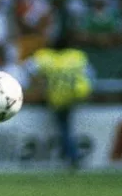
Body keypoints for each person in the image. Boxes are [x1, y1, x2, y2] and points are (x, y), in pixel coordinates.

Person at [25, 32, 93, 170]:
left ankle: (71, 155)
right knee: (65, 127)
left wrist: (38, 85)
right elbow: (90, 74)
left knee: (64, 128)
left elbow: (28, 68)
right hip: (76, 95)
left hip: (56, 97)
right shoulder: (76, 57)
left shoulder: (45, 57)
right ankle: (70, 154)